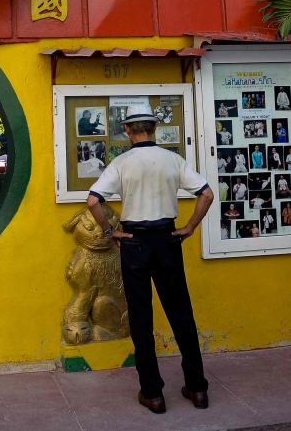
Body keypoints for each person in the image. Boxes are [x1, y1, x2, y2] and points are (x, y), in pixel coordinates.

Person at [85, 101, 213, 414]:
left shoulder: (121, 163)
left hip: (134, 243)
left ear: (128, 129)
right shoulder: (173, 159)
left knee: (142, 318)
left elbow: (93, 201)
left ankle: (153, 394)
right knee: (181, 314)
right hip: (168, 239)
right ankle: (197, 389)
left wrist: (109, 231)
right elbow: (207, 194)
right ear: (154, 128)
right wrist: (190, 227)